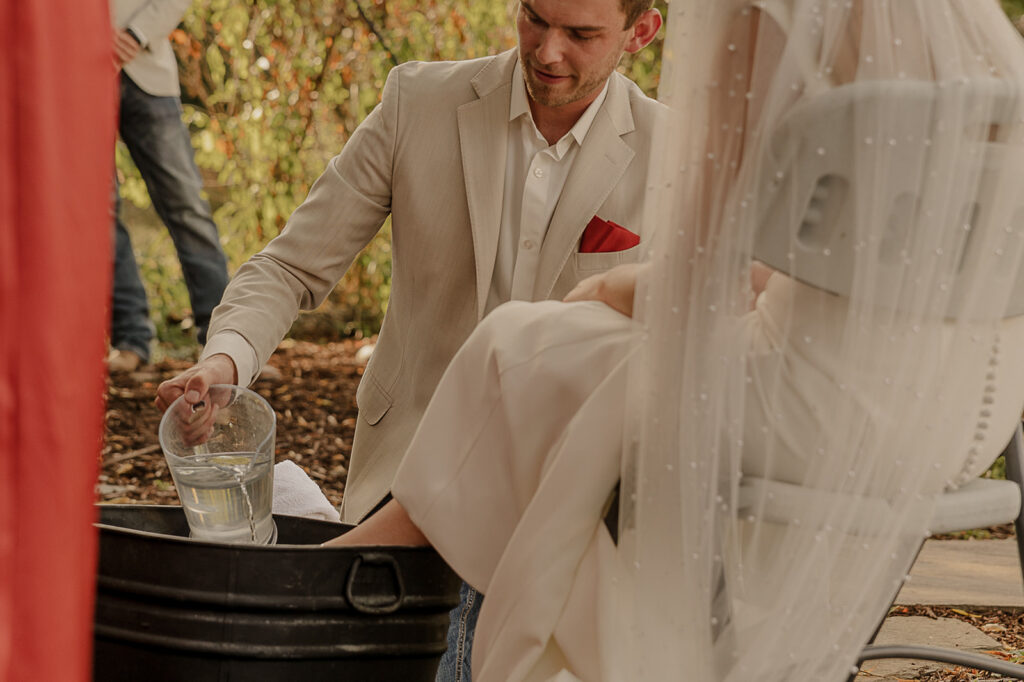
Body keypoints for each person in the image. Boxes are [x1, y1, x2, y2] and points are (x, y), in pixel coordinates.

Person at [323, 0, 1024, 680]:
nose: (547, 47)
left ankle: (340, 578)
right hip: (974, 410)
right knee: (569, 362)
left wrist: (618, 288)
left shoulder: (755, 13)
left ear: (640, 32)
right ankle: (369, 567)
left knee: (519, 344)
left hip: (816, 407)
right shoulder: (969, 39)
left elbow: (705, 270)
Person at [155, 0, 663, 678]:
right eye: (536, 19)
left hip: (567, 516)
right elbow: (290, 264)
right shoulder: (417, 102)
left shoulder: (676, 152)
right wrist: (224, 363)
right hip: (408, 487)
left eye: (580, 35)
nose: (547, 52)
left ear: (641, 31)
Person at [109, 0, 229, 373]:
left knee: (187, 206)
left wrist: (136, 34)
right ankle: (131, 340)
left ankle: (225, 342)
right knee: (101, 213)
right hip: (74, 76)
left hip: (146, 70)